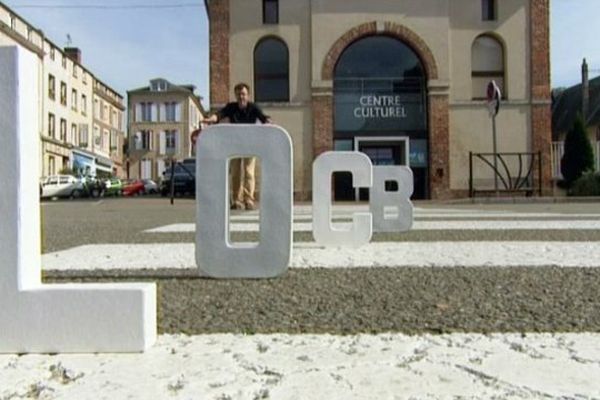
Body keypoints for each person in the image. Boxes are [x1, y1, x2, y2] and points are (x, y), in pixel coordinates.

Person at [202, 83, 272, 210]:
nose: (241, 97)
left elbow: (263, 117)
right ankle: (236, 200)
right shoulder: (231, 107)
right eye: (239, 94)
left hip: (250, 145)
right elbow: (220, 114)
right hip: (234, 145)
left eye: (243, 94)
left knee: (249, 172)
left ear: (248, 95)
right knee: (236, 173)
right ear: (236, 95)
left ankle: (249, 200)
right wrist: (212, 118)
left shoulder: (253, 107)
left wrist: (267, 121)